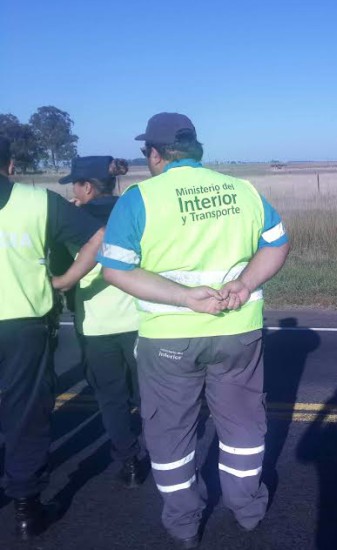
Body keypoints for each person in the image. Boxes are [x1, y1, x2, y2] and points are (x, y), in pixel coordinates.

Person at [98, 113, 290, 548]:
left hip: (168, 337)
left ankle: (185, 523)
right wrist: (244, 284)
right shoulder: (242, 190)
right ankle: (247, 510)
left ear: (155, 153)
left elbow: (116, 269)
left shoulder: (140, 197)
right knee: (243, 424)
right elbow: (277, 243)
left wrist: (185, 298)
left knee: (171, 432)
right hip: (238, 330)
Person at [0, 136, 105, 539]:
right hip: (24, 323)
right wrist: (63, 281)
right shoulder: (38, 201)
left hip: (26, 324)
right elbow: (97, 238)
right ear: (10, 165)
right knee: (25, 414)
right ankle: (26, 508)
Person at [57, 156, 147, 488]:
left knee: (111, 397)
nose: (73, 191)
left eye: (76, 185)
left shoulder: (71, 220)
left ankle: (130, 462)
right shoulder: (132, 211)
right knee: (146, 393)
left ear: (88, 186)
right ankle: (164, 453)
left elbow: (61, 263)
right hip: (139, 319)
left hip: (95, 325)